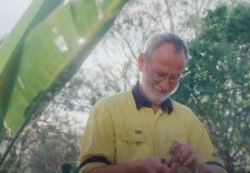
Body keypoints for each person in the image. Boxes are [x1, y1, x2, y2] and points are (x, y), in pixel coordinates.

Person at [79, 32, 227, 173]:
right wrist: (135, 168)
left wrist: (197, 164)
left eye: (174, 78)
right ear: (142, 62)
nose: (165, 86)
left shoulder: (188, 118)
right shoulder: (107, 110)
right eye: (160, 74)